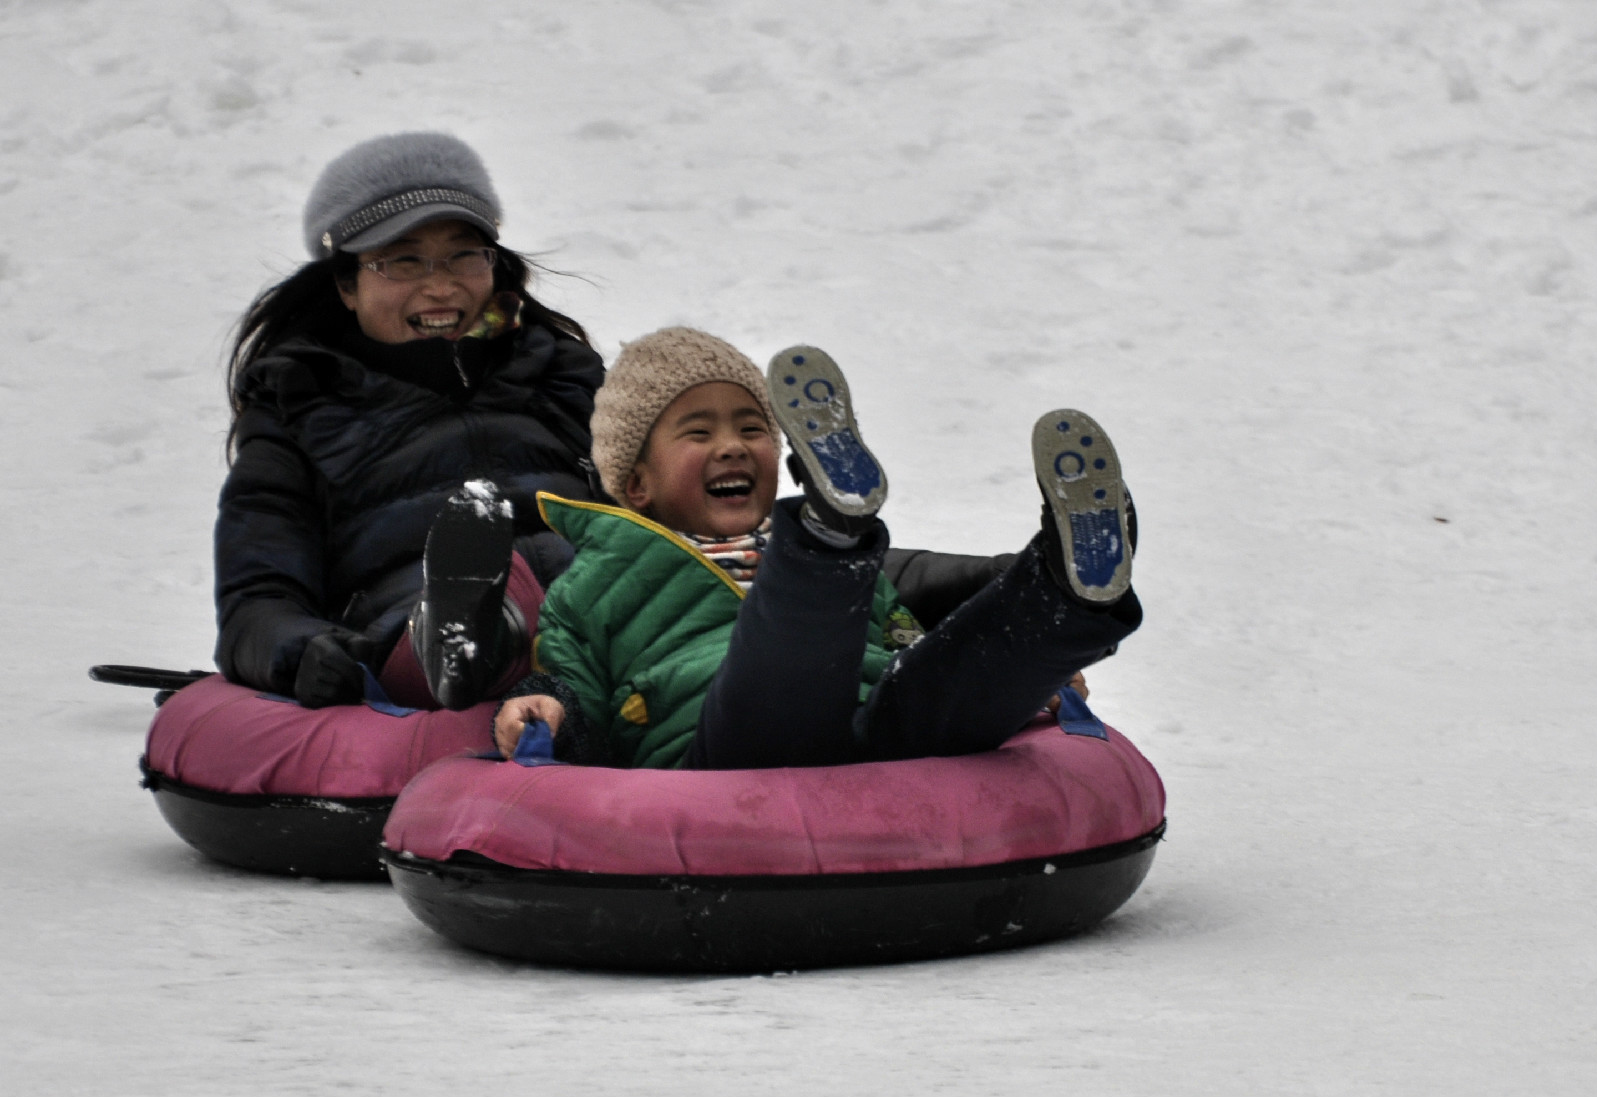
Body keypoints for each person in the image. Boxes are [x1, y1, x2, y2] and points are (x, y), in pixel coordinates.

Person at [488, 327, 1142, 768]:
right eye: (699, 431)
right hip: (725, 748)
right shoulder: (591, 586)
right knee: (787, 637)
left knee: (930, 687)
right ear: (635, 483)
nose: (733, 444)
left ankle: (1064, 589)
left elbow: (905, 642)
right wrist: (552, 712)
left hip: (865, 729)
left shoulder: (836, 567)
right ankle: (831, 525)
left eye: (753, 426)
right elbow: (579, 694)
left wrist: (1023, 679)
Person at [213, 132, 605, 711]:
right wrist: (306, 649)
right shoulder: (299, 413)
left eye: (463, 255)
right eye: (403, 259)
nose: (440, 285)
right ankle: (463, 638)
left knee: (643, 600)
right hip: (410, 627)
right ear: (347, 284)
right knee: (465, 620)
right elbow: (258, 596)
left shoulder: (565, 377)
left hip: (600, 602)